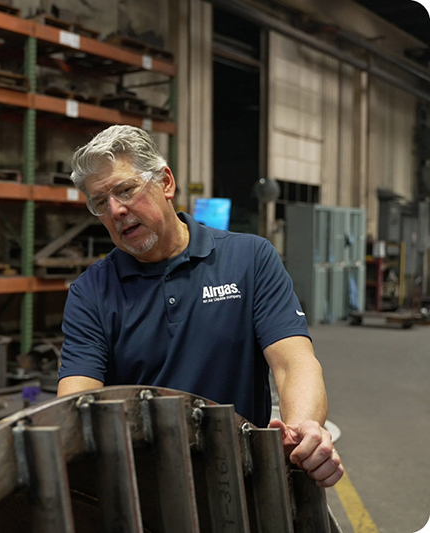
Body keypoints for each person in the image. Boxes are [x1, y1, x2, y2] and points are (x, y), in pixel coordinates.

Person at [57, 124, 343, 487]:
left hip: (240, 479)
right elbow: (77, 400)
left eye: (126, 190)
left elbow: (293, 363)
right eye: (101, 203)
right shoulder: (91, 291)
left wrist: (303, 429)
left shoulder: (250, 259)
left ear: (165, 183)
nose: (116, 210)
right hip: (142, 488)